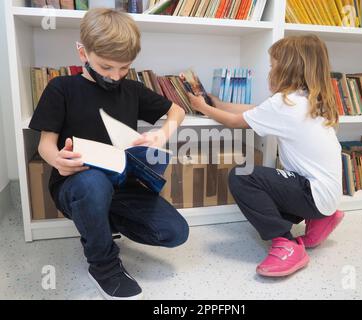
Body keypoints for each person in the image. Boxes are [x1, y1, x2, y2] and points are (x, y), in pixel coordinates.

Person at [29, 8, 188, 299]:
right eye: (106, 67)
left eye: (124, 68)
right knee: (93, 183)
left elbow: (177, 110)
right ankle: (103, 265)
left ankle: (99, 224)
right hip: (77, 183)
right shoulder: (61, 88)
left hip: (122, 183)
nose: (115, 76)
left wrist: (161, 134)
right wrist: (57, 161)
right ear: (82, 53)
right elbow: (45, 145)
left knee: (175, 233)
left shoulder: (133, 90)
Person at [188, 35, 344, 277]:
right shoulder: (309, 101)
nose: (269, 70)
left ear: (286, 69)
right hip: (327, 194)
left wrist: (204, 109)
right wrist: (217, 103)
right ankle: (322, 218)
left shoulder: (285, 104)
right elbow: (251, 110)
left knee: (243, 177)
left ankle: (285, 244)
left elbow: (235, 121)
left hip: (312, 194)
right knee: (271, 194)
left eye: (272, 65)